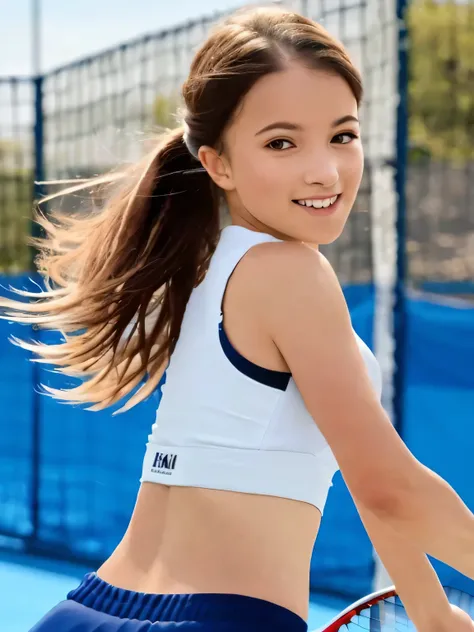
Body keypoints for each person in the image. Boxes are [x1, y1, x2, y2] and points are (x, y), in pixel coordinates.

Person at [1, 6, 474, 632]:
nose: (324, 170)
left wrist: (430, 610)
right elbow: (391, 486)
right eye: (282, 142)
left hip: (83, 611)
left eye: (343, 135)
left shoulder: (210, 268)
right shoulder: (289, 272)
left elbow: (366, 475)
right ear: (218, 163)